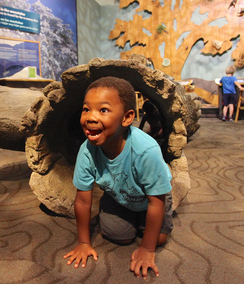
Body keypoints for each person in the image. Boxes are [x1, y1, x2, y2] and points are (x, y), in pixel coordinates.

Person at [64, 77, 173, 279]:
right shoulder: (87, 151)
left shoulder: (146, 150)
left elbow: (156, 201)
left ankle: (146, 226)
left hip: (153, 198)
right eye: (86, 109)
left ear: (126, 118)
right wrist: (83, 243)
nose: (90, 117)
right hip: (119, 196)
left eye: (103, 110)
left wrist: (147, 249)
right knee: (118, 236)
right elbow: (82, 198)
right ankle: (126, 213)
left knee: (158, 238)